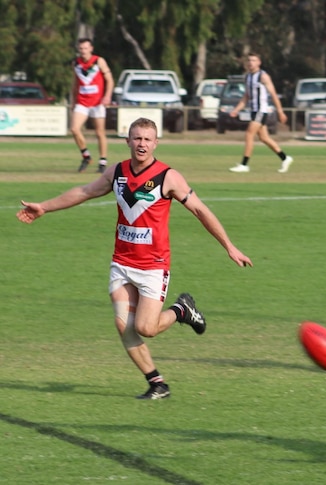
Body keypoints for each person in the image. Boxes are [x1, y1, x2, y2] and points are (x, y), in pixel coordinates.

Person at [17, 117, 253, 400]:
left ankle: (182, 310)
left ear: (156, 143)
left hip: (153, 266)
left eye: (147, 139)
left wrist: (229, 246)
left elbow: (200, 211)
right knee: (122, 324)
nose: (141, 144)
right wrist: (44, 207)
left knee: (145, 328)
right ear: (127, 141)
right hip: (122, 262)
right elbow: (85, 191)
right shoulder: (117, 171)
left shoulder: (168, 177)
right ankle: (157, 384)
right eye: (136, 138)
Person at [228, 53, 292, 173]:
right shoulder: (247, 77)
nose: (250, 63)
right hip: (253, 110)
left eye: (253, 60)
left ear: (259, 63)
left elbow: (273, 94)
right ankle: (285, 158)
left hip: (261, 110)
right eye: (249, 60)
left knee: (249, 134)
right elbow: (246, 96)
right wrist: (236, 110)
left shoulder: (263, 76)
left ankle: (244, 164)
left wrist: (280, 112)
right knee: (264, 138)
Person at [70, 38, 114, 174]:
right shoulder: (76, 63)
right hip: (82, 102)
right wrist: (73, 100)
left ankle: (102, 161)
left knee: (100, 132)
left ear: (91, 48)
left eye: (85, 48)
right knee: (74, 129)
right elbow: (75, 83)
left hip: (97, 102)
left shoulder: (98, 61)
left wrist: (107, 96)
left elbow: (110, 80)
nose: (83, 51)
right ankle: (86, 156)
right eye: (81, 48)